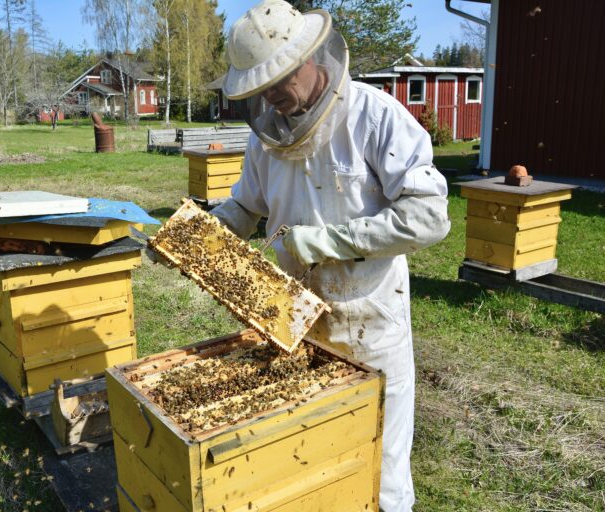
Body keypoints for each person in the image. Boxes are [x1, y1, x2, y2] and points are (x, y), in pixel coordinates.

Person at [210, 1, 451, 511]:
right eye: (259, 88)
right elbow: (246, 206)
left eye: (277, 80)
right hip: (292, 322)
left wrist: (326, 242)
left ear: (308, 57)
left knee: (379, 470)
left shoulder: (374, 115)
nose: (270, 97)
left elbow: (428, 217)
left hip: (369, 321)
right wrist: (204, 231)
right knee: (313, 464)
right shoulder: (266, 138)